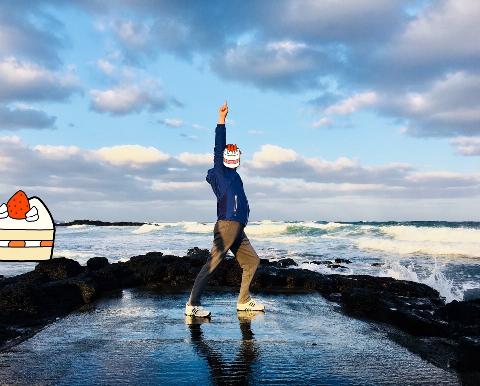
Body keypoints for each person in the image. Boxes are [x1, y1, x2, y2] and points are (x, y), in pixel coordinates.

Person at [185, 101, 265, 317]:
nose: (233, 153)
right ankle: (192, 305)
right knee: (213, 263)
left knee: (252, 261)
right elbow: (219, 146)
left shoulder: (235, 175)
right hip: (227, 225)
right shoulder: (221, 173)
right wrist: (222, 120)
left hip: (238, 227)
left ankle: (244, 301)